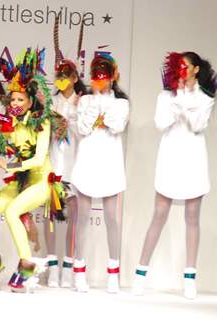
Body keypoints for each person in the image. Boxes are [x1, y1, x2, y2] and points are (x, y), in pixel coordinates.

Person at [131, 51, 217, 299]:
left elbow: (197, 124)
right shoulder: (165, 95)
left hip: (193, 158)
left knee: (192, 217)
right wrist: (177, 97)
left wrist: (184, 103)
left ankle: (190, 277)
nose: (181, 69)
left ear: (195, 70)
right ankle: (140, 274)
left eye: (186, 66)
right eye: (178, 65)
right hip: (171, 156)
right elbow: (161, 122)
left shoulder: (205, 97)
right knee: (159, 215)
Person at [0, 48, 67, 293]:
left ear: (30, 100)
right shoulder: (9, 122)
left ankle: (26, 265)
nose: (15, 103)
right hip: (18, 180)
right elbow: (1, 145)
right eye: (13, 99)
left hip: (41, 182)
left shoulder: (43, 121)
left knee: (12, 212)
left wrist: (10, 165)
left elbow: (39, 159)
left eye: (20, 99)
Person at [70, 54, 130, 293]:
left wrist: (104, 119)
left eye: (104, 74)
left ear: (113, 75)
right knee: (82, 217)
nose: (100, 79)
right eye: (96, 74)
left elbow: (117, 125)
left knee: (113, 219)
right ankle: (79, 270)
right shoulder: (85, 101)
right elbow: (83, 127)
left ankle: (113, 273)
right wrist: (95, 109)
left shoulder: (122, 103)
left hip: (110, 164)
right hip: (87, 161)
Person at [45, 59, 87, 288]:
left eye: (66, 74)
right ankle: (53, 268)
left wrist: (73, 116)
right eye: (58, 74)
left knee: (74, 218)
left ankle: (69, 268)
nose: (62, 78)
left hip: (76, 166)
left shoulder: (83, 102)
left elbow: (85, 133)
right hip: (54, 166)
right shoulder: (50, 102)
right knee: (51, 217)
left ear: (75, 77)